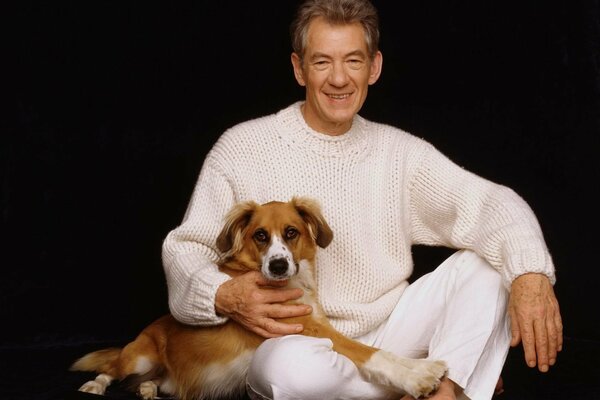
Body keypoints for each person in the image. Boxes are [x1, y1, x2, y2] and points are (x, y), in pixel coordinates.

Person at [161, 0, 563, 399]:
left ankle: (444, 390)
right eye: (322, 62)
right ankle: (445, 380)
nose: (339, 79)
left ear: (374, 67)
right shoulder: (240, 147)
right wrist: (223, 295)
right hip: (305, 345)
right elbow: (186, 249)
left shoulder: (403, 154)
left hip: (395, 337)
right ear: (299, 68)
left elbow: (494, 202)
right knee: (285, 368)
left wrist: (530, 274)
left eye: (353, 61)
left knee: (490, 266)